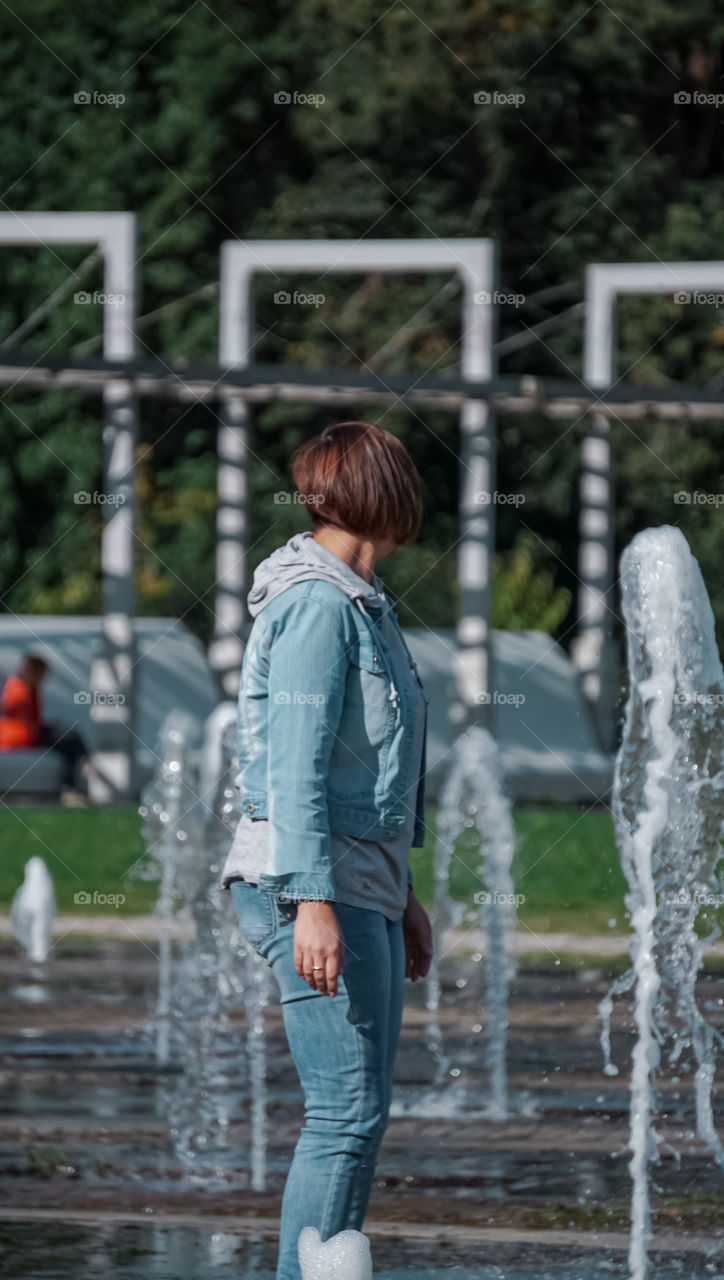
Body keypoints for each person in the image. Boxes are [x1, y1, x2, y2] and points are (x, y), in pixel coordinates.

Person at [222, 421, 434, 1280]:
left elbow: (376, 772)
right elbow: (295, 766)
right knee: (343, 1111)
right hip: (303, 878)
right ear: (383, 492)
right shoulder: (315, 604)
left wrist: (403, 892)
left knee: (363, 1112)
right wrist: (310, 899)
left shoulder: (362, 603)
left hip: (361, 878)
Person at [0, 653, 90, 805]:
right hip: (20, 737)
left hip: (28, 733)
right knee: (70, 741)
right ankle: (71, 784)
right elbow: (19, 716)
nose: (44, 678)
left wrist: (46, 726)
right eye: (42, 674)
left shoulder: (29, 688)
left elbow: (30, 719)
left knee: (70, 737)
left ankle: (74, 780)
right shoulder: (18, 688)